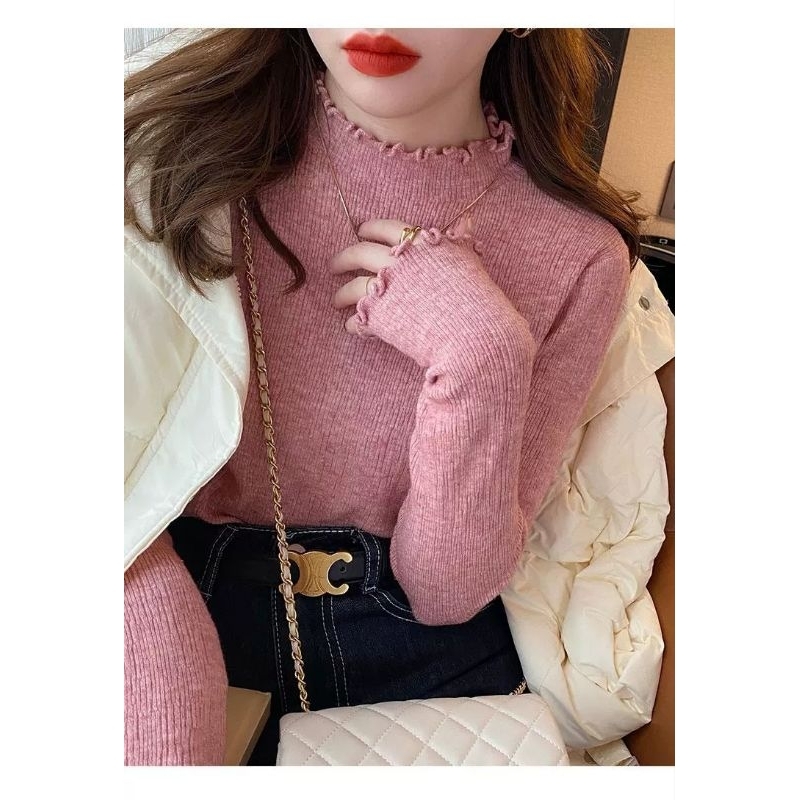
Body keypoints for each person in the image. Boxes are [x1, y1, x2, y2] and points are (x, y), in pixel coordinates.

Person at [124, 28, 648, 766]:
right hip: (176, 612)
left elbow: (446, 592)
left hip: (427, 666)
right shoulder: (175, 157)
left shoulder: (580, 254)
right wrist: (144, 627)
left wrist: (484, 357)